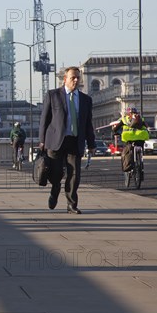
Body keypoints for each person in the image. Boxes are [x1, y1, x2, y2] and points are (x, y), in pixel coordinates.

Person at [39, 66, 95, 215]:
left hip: (75, 140)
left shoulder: (85, 100)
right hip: (56, 140)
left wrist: (91, 144)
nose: (76, 80)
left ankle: (71, 204)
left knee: (75, 174)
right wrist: (42, 140)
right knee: (56, 173)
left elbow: (88, 123)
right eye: (72, 77)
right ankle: (55, 189)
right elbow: (44, 119)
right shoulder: (53, 95)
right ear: (65, 79)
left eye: (78, 77)